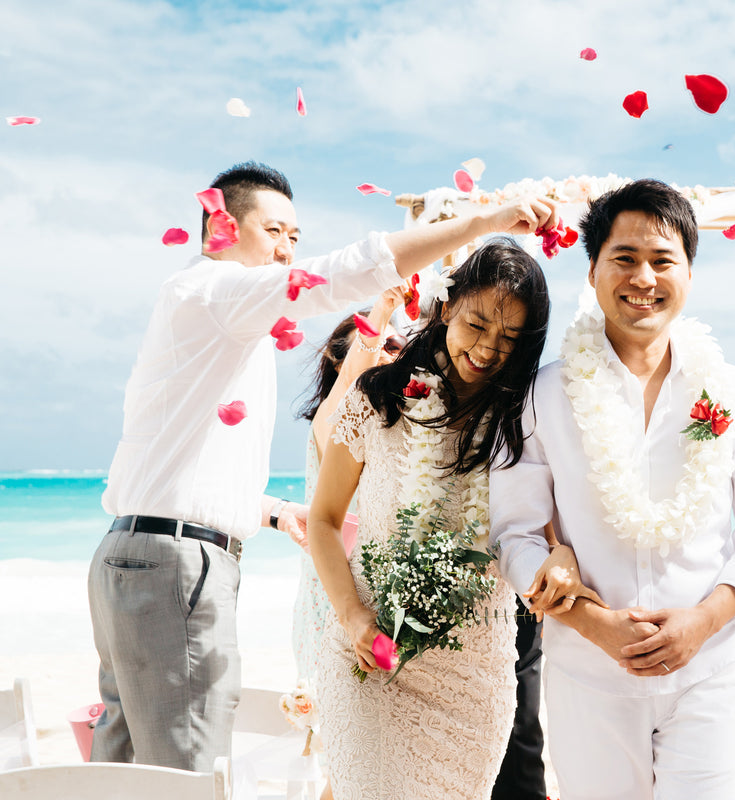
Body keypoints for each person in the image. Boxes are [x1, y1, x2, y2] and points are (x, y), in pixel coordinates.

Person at [88, 161, 554, 772]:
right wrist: (489, 220)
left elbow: (176, 472)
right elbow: (338, 275)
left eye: (295, 238)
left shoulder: (208, 325)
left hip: (132, 555)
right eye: (274, 231)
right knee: (185, 772)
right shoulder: (212, 291)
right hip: (176, 568)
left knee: (118, 771)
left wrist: (279, 515)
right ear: (220, 225)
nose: (287, 251)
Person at [489, 179, 735, 800]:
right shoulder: (544, 394)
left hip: (709, 669)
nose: (643, 278)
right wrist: (593, 622)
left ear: (688, 271)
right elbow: (513, 533)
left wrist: (703, 621)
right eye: (624, 259)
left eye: (663, 261)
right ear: (595, 269)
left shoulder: (731, 391)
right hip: (588, 672)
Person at [306, 238, 596, 799]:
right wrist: (353, 616)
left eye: (510, 338)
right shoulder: (378, 399)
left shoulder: (525, 419)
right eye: (477, 324)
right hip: (371, 648)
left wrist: (562, 555)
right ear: (445, 307)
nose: (488, 348)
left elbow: (554, 530)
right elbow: (322, 519)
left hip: (472, 675)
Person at [293, 293, 408, 684]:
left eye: (401, 347)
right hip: (337, 592)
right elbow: (352, 378)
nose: (394, 355)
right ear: (341, 360)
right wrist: (385, 307)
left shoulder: (388, 424)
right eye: (385, 345)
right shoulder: (333, 413)